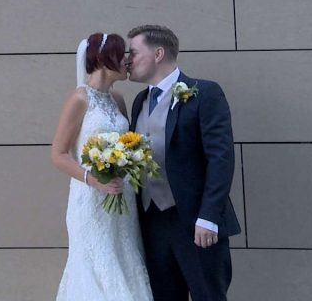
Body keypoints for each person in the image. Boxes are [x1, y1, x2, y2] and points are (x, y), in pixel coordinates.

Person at [126, 25, 240, 301]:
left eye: (133, 52)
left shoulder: (205, 93)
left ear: (158, 53)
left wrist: (209, 217)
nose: (128, 60)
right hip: (152, 222)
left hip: (196, 221)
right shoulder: (139, 101)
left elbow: (220, 158)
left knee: (208, 295)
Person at [51, 32, 153, 301]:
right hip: (90, 197)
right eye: (122, 56)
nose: (127, 62)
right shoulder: (79, 100)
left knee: (125, 260)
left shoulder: (117, 100)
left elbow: (128, 145)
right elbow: (59, 153)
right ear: (105, 60)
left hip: (122, 196)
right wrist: (93, 179)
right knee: (95, 266)